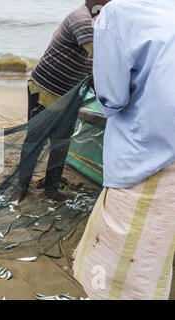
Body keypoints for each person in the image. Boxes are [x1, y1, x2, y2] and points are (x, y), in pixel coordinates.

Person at [73, 0, 175, 300]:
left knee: (124, 269)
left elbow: (112, 97)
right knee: (160, 252)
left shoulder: (117, 13)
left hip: (146, 158)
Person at [11, 0, 110, 203]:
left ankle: (51, 189)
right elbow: (103, 59)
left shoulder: (96, 21)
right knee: (35, 140)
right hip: (44, 89)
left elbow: (93, 66)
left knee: (61, 143)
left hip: (68, 96)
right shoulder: (81, 19)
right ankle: (21, 188)